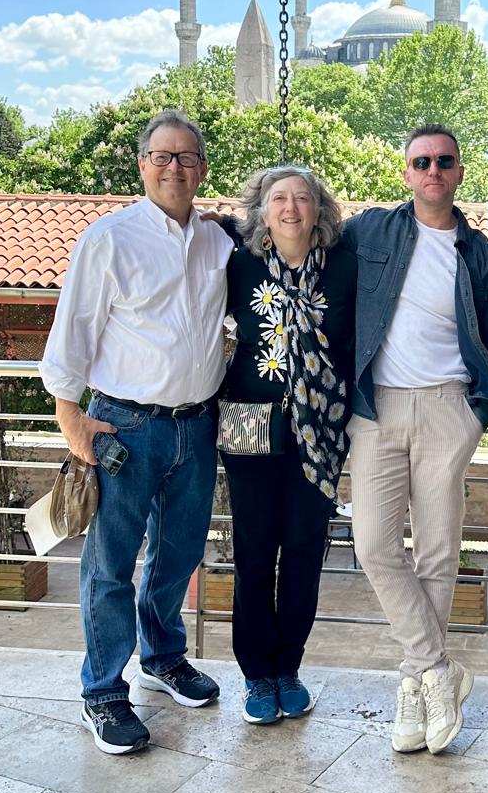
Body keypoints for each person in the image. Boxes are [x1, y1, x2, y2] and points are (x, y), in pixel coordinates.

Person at [40, 110, 232, 755]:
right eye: (161, 155)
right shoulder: (110, 238)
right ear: (142, 164)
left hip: (197, 426)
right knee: (111, 565)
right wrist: (72, 418)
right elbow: (73, 332)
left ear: (202, 169)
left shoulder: (218, 241)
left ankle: (164, 658)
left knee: (178, 557)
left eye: (185, 157)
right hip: (123, 425)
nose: (173, 166)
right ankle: (103, 693)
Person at [343, 124, 488, 755]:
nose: (433, 170)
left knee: (438, 552)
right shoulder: (370, 232)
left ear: (459, 170)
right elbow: (302, 245)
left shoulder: (478, 252)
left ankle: (416, 686)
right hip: (376, 410)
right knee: (374, 544)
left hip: (447, 409)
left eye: (444, 161)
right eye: (421, 162)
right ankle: (439, 668)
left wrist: (475, 415)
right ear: (406, 171)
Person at [217, 166, 356, 726]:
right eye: (280, 199)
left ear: (319, 209)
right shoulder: (239, 262)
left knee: (303, 553)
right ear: (262, 209)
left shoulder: (344, 266)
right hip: (252, 429)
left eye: (303, 198)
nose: (292, 208)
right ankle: (256, 675)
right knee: (253, 553)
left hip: (320, 436)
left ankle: (288, 669)